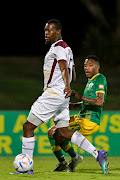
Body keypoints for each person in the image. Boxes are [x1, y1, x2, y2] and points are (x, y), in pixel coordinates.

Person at [11, 19, 108, 175]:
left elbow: (63, 66)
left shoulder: (59, 47)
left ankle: (26, 168)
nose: (46, 33)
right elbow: (73, 74)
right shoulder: (68, 49)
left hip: (54, 93)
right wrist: (67, 87)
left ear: (58, 32)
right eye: (45, 31)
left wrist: (66, 86)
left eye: (49, 30)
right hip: (63, 96)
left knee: (28, 126)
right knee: (63, 131)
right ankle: (97, 154)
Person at [48, 55, 109, 174]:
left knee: (61, 132)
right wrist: (75, 105)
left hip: (89, 121)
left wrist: (80, 97)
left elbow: (99, 102)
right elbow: (88, 101)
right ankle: (67, 160)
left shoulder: (100, 78)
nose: (87, 68)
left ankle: (96, 154)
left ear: (98, 67)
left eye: (90, 66)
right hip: (81, 117)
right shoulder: (91, 81)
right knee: (53, 132)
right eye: (85, 66)